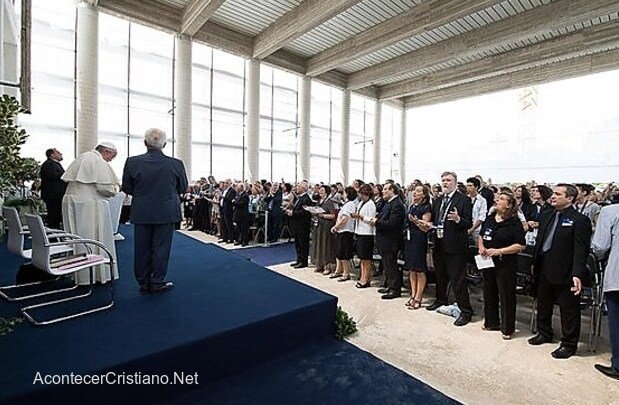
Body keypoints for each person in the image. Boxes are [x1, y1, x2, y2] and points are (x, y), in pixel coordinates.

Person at [528, 184, 592, 359]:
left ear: (570, 198)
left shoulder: (579, 220)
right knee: (543, 303)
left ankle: (569, 344)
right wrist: (534, 262)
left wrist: (577, 274)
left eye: (558, 194)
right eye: (553, 193)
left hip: (566, 271)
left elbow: (581, 250)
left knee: (568, 309)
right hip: (543, 267)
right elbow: (541, 241)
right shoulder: (547, 214)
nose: (553, 196)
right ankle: (544, 332)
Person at [121, 128, 188, 294]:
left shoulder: (132, 162)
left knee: (141, 247)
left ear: (145, 143)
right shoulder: (176, 164)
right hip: (166, 211)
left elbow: (127, 188)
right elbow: (183, 187)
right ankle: (157, 281)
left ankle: (143, 282)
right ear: (164, 144)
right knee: (161, 247)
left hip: (142, 211)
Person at [61, 142, 120, 285]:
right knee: (92, 237)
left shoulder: (82, 157)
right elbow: (105, 188)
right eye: (111, 157)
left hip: (72, 201)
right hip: (89, 205)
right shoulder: (97, 161)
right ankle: (93, 276)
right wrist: (116, 189)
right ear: (106, 151)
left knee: (77, 237)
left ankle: (78, 274)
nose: (110, 160)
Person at [426, 171, 474, 326]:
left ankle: (465, 311)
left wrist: (459, 219)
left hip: (456, 246)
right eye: (443, 180)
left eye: (448, 180)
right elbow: (436, 219)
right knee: (439, 275)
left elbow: (468, 222)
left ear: (455, 182)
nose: (445, 183)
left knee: (458, 280)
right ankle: (441, 300)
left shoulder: (463, 200)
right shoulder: (438, 200)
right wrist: (427, 225)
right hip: (439, 243)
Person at [478, 192, 526, 339]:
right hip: (487, 262)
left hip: (505, 264)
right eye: (497, 198)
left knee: (506, 295)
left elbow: (520, 245)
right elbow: (481, 235)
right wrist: (481, 247)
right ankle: (491, 322)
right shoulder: (490, 219)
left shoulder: (514, 223)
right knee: (489, 291)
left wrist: (499, 251)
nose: (497, 200)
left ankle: (507, 328)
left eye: (502, 199)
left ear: (509, 205)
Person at [591, 203, 619, 379]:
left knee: (617, 322)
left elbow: (599, 246)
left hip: (617, 275)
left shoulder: (611, 211)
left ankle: (618, 365)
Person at [370, 182, 405, 299]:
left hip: (391, 240)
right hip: (384, 239)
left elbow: (392, 224)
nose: (383, 191)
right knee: (387, 264)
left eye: (385, 189)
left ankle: (395, 289)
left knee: (391, 264)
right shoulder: (388, 203)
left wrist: (376, 222)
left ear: (392, 191)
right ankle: (390, 285)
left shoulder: (397, 204)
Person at [404, 185, 432, 309]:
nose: (415, 193)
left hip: (419, 239)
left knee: (419, 269)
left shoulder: (426, 208)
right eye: (415, 191)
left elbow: (425, 228)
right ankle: (413, 293)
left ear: (424, 195)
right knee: (411, 268)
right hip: (410, 238)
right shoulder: (411, 206)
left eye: (419, 191)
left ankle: (418, 297)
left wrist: (416, 221)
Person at [330, 187, 357, 282]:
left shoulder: (350, 204)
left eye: (345, 193)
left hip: (345, 231)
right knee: (339, 252)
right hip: (341, 231)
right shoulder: (346, 204)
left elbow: (344, 219)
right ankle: (338, 270)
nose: (343, 194)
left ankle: (346, 273)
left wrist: (336, 227)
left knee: (344, 253)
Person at [352, 184, 376, 288]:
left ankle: (366, 279)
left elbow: (371, 219)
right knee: (361, 257)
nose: (361, 196)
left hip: (367, 233)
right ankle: (362, 276)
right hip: (360, 231)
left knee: (366, 258)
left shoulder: (371, 204)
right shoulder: (361, 203)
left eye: (362, 194)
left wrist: (361, 217)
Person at [312, 185, 337, 274]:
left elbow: (333, 215)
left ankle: (328, 266)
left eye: (322, 190)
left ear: (326, 192)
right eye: (320, 190)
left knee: (326, 246)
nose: (320, 192)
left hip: (326, 226)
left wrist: (323, 215)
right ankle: (319, 264)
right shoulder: (318, 201)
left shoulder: (330, 202)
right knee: (318, 244)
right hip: (319, 225)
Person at [287, 182, 313, 268]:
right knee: (297, 243)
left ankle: (303, 261)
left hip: (303, 225)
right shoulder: (299, 197)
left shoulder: (306, 199)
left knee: (303, 244)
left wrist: (293, 213)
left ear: (303, 188)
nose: (296, 188)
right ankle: (299, 259)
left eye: (298, 187)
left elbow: (305, 212)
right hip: (297, 224)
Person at [40, 148, 66, 229]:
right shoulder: (48, 164)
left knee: (57, 217)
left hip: (57, 196)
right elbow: (53, 176)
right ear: (52, 155)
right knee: (53, 217)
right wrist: (65, 175)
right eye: (58, 152)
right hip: (53, 196)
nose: (61, 154)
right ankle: (53, 237)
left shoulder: (56, 164)